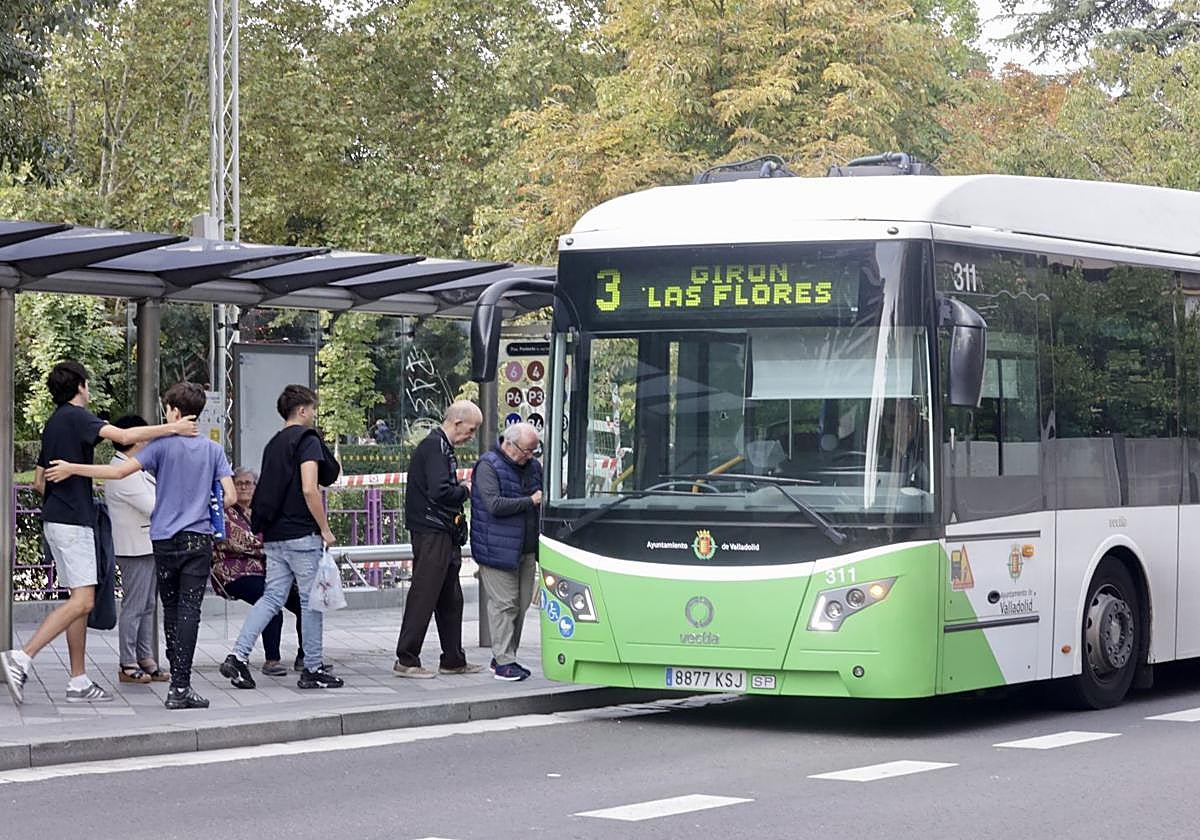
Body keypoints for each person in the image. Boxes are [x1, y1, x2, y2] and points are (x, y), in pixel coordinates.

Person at [0, 361, 195, 707]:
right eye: (87, 385)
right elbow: (123, 437)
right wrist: (172, 428)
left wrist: (64, 498)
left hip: (59, 519)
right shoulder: (75, 417)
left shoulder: (53, 423)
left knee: (79, 601)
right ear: (80, 386)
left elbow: (39, 481)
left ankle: (78, 680)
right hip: (74, 522)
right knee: (84, 601)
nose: (88, 391)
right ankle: (22, 656)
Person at [45, 381, 234, 710]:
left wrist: (72, 468)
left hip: (162, 540)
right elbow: (230, 496)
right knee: (190, 612)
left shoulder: (160, 447)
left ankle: (176, 681)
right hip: (197, 539)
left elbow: (116, 474)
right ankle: (181, 686)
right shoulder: (213, 450)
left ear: (173, 412)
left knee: (170, 610)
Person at [220, 384, 344, 691]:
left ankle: (238, 655)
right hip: (302, 535)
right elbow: (309, 488)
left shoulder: (274, 444)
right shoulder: (307, 440)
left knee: (272, 597)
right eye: (313, 409)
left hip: (273, 537)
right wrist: (325, 528)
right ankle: (313, 668)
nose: (314, 414)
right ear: (302, 410)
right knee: (310, 602)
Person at [393, 400, 484, 679]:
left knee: (450, 597)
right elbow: (439, 491)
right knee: (425, 593)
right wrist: (465, 490)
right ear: (456, 422)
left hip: (441, 530)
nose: (471, 436)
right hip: (432, 530)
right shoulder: (434, 447)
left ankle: (453, 658)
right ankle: (406, 658)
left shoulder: (443, 447)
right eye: (470, 430)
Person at [211, 467, 305, 676]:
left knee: (303, 602)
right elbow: (240, 542)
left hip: (268, 571)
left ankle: (306, 656)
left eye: (249, 483)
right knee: (270, 603)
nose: (244, 487)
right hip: (234, 572)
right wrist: (275, 546)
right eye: (239, 483)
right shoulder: (225, 511)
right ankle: (272, 661)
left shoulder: (264, 511)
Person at [471, 422, 542, 682]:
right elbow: (494, 504)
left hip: (525, 549)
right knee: (505, 605)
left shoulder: (533, 466)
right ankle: (504, 662)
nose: (530, 456)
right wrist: (530, 501)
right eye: (526, 450)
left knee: (521, 605)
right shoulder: (488, 466)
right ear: (509, 445)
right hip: (496, 548)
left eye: (534, 450)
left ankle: (503, 655)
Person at [104, 415, 168, 685]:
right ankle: (128, 662)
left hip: (145, 545)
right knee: (135, 605)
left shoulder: (133, 468)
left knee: (148, 605)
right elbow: (154, 506)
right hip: (135, 548)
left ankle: (145, 658)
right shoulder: (122, 472)